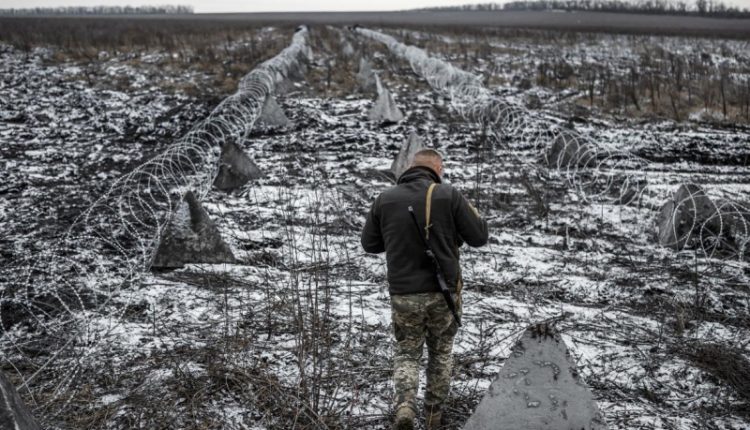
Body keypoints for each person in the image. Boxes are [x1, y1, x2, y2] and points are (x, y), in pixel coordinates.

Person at [361, 149, 489, 429]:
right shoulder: (448, 195)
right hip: (444, 293)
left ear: (410, 167)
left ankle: (405, 406)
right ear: (438, 168)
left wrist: (398, 237)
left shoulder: (385, 199)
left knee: (407, 352)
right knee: (441, 353)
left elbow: (369, 244)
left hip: (404, 293)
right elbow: (480, 236)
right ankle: (433, 416)